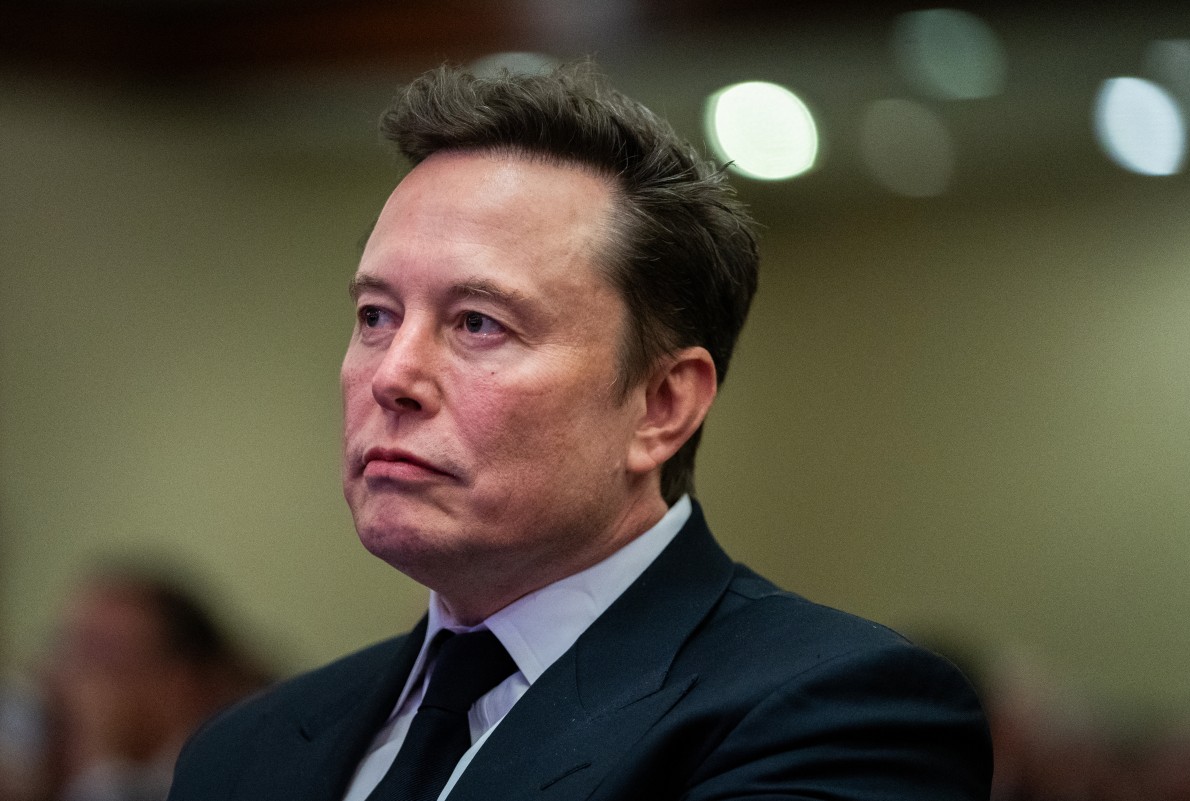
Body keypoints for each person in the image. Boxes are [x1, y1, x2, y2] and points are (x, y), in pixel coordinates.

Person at [168, 62, 992, 800]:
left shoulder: (840, 717)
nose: (391, 375)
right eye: (376, 314)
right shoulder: (242, 751)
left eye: (479, 323)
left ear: (662, 405)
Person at [35, 566, 271, 801]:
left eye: (97, 656)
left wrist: (98, 765)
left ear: (180, 680)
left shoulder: (232, 775)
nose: (64, 678)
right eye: (65, 651)